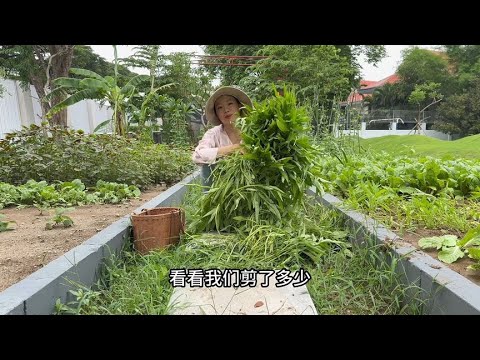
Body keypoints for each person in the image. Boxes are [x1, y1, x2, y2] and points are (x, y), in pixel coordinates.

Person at [192, 86, 252, 186]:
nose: (226, 110)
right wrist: (234, 148)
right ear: (216, 114)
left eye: (230, 103)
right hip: (224, 188)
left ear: (240, 106)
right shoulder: (213, 134)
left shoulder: (253, 129)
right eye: (219, 107)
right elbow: (198, 156)